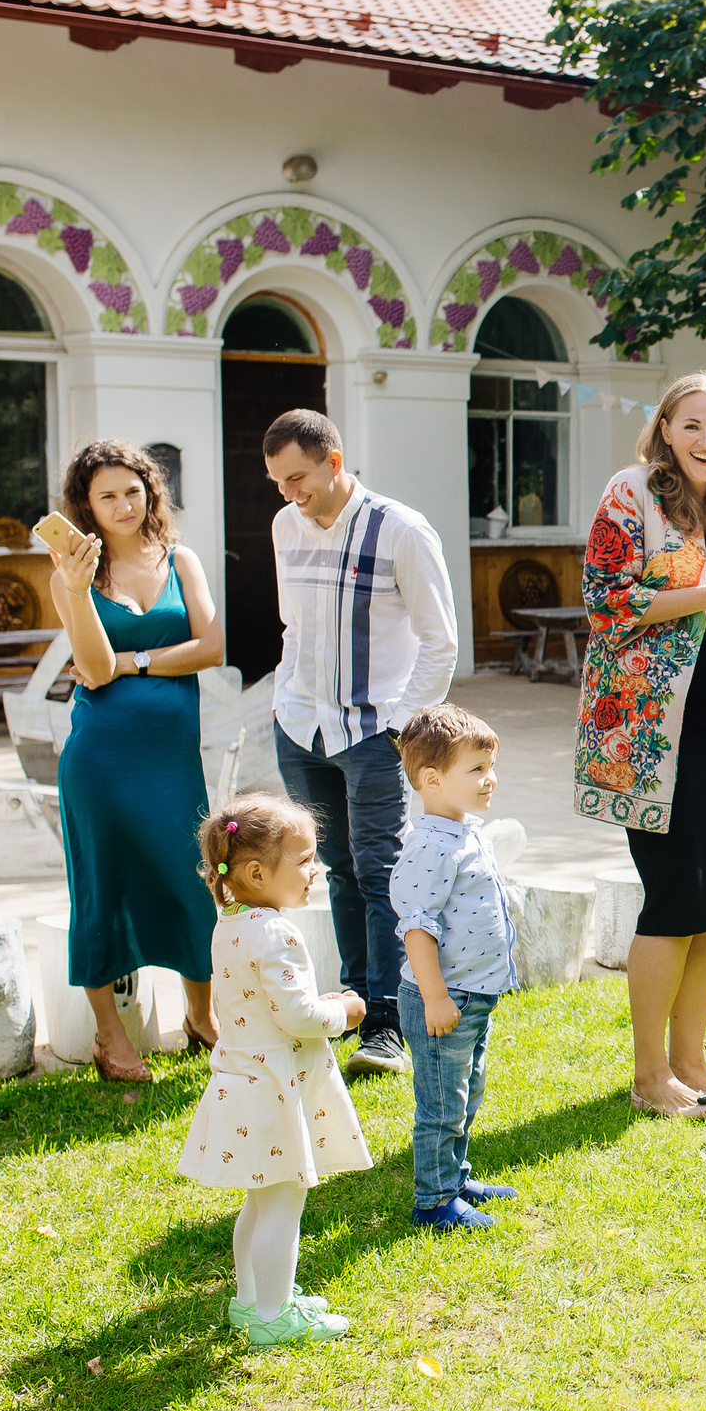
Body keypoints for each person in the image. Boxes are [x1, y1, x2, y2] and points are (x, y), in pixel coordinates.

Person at [575, 372, 706, 1119]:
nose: (705, 440)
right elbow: (605, 602)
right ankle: (648, 1074)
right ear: (665, 427)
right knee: (672, 899)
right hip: (644, 729)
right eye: (691, 425)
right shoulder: (629, 494)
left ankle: (692, 1059)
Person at [263, 409, 458, 1080]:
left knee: (381, 871)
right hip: (300, 726)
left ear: (334, 461)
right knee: (335, 870)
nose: (291, 494)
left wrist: (402, 725)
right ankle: (353, 1002)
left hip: (374, 731)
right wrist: (282, 696)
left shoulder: (400, 528)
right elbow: (293, 625)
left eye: (299, 478)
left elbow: (442, 641)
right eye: (279, 482)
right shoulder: (286, 524)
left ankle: (387, 1020)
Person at [46, 439, 225, 1082]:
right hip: (101, 761)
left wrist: (139, 662)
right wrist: (75, 591)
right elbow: (92, 671)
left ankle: (201, 1018)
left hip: (172, 759)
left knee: (190, 881)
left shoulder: (181, 559)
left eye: (133, 490)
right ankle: (109, 1036)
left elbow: (213, 647)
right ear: (84, 506)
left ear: (151, 492)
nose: (123, 505)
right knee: (102, 890)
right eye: (106, 495)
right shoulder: (73, 576)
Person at [179, 794, 371, 1348]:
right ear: (258, 872)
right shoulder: (277, 932)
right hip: (274, 1091)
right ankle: (274, 1314)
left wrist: (315, 1001)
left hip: (244, 1082)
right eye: (306, 860)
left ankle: (250, 1300)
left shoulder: (231, 924)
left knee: (259, 1201)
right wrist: (345, 1011)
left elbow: (268, 1004)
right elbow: (298, 1015)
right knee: (285, 1204)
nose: (317, 870)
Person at [390, 704, 519, 1231]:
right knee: (442, 1103)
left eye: (490, 768)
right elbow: (418, 927)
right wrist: (436, 996)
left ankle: (455, 1176)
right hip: (445, 997)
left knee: (465, 1093)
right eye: (476, 770)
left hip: (472, 994)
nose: (490, 780)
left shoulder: (463, 832)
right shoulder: (429, 845)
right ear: (432, 779)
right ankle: (434, 1201)